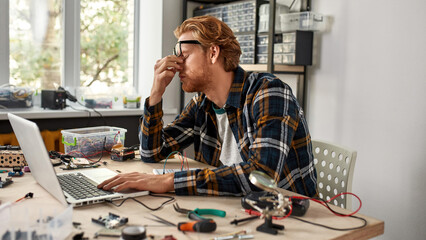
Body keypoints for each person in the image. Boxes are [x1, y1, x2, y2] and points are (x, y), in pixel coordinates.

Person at [98, 15, 317, 197]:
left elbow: (261, 177)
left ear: (213, 53)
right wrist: (156, 93)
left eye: (183, 56)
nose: (177, 65)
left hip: (288, 214)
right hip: (233, 205)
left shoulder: (269, 92)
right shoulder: (202, 104)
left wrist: (169, 181)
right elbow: (151, 153)